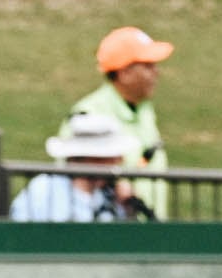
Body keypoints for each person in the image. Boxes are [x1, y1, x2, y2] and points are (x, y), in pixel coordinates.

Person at [65, 26, 175, 221]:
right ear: (124, 73)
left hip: (149, 229)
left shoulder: (144, 110)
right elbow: (71, 177)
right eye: (148, 66)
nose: (156, 72)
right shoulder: (88, 113)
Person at [10, 112, 152, 223]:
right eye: (113, 156)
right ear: (94, 158)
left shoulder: (112, 196)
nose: (120, 160)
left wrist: (129, 209)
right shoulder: (44, 189)